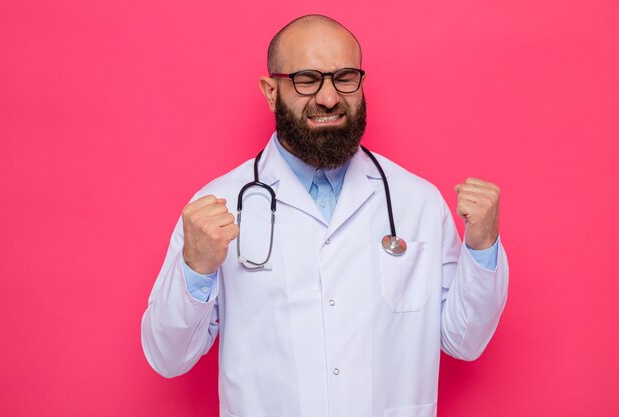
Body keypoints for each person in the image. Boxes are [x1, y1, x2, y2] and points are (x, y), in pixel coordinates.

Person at [141, 14, 508, 417]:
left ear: (361, 85)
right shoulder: (217, 205)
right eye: (306, 79)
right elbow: (168, 356)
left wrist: (482, 248)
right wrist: (195, 269)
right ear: (270, 91)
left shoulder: (416, 202)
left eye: (344, 77)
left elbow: (464, 339)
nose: (329, 98)